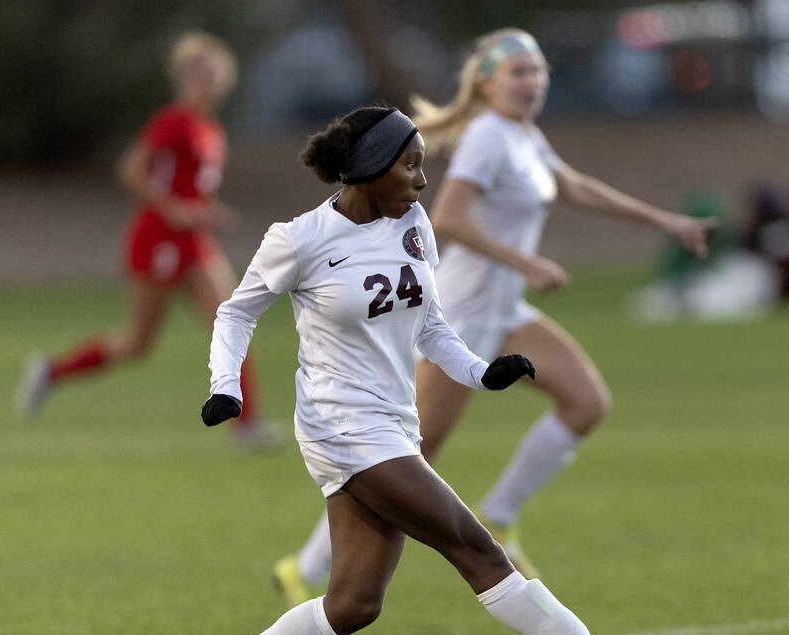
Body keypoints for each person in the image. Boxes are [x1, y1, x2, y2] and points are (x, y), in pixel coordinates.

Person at [147, 106, 692, 635]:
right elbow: (236, 311)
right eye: (410, 165)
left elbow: (431, 325)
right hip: (342, 428)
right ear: (369, 170)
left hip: (392, 424)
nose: (424, 180)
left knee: (353, 604)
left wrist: (481, 372)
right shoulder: (300, 239)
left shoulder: (411, 225)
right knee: (477, 548)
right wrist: (224, 387)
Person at [271, 28, 714, 602]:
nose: (532, 82)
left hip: (507, 309)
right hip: (462, 315)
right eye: (518, 72)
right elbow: (450, 216)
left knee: (585, 403)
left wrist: (666, 223)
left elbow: (574, 186)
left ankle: (500, 514)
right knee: (410, 455)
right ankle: (304, 572)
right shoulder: (487, 137)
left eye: (538, 71)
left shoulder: (523, 136)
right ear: (487, 82)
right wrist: (524, 261)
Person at [16, 31, 277, 448]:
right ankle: (50, 373)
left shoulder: (211, 130)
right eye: (196, 72)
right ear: (182, 77)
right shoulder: (173, 120)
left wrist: (207, 211)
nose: (204, 80)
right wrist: (173, 208)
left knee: (232, 321)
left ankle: (245, 427)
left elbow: (192, 187)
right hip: (157, 239)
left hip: (194, 242)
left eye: (211, 73)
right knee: (137, 343)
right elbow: (131, 169)